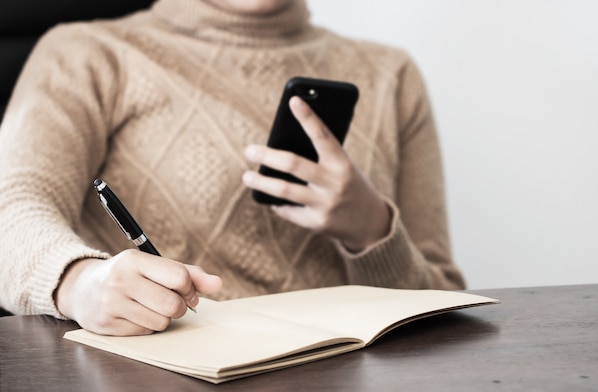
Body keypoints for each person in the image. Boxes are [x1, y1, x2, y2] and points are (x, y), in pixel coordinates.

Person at [0, 0, 465, 336]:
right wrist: (81, 283)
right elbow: (11, 207)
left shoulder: (392, 74)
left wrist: (372, 229)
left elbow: (444, 300)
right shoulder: (86, 53)